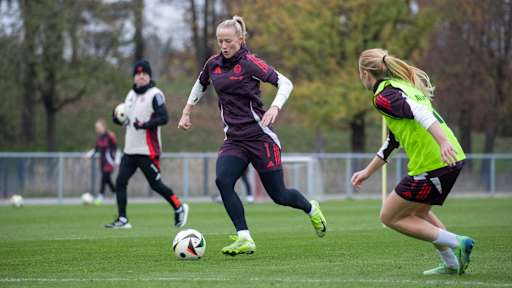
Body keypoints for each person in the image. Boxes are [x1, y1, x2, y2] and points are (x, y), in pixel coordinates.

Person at [178, 16, 326, 256]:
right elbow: (200, 84)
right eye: (220, 41)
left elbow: (285, 83)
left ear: (241, 39)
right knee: (223, 181)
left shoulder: (250, 63)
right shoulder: (213, 64)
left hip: (260, 138)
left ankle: (311, 209)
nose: (224, 46)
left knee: (279, 195)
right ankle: (244, 237)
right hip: (234, 139)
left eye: (228, 41)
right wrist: (186, 111)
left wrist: (275, 107)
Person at [352, 48, 474, 275]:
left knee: (388, 216)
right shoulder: (402, 87)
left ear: (365, 74)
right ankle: (451, 264)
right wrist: (368, 172)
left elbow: (420, 112)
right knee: (418, 213)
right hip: (448, 159)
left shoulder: (383, 96)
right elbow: (392, 141)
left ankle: (458, 242)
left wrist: (442, 142)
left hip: (434, 162)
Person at [106, 60, 189, 229]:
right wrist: (117, 118)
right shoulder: (130, 94)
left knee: (155, 184)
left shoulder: (155, 94)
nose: (141, 76)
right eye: (138, 74)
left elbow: (164, 118)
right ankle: (123, 219)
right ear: (134, 76)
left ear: (149, 75)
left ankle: (179, 206)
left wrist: (144, 124)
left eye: (144, 73)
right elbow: (126, 117)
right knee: (120, 181)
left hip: (147, 150)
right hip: (130, 150)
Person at [84, 119, 117, 204]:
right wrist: (89, 155)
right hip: (102, 162)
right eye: (96, 127)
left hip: (109, 161)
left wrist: (115, 160)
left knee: (104, 177)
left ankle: (100, 195)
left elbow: (115, 148)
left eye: (98, 127)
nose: (97, 129)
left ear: (103, 126)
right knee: (107, 179)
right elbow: (96, 149)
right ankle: (116, 193)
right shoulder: (99, 138)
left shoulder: (110, 136)